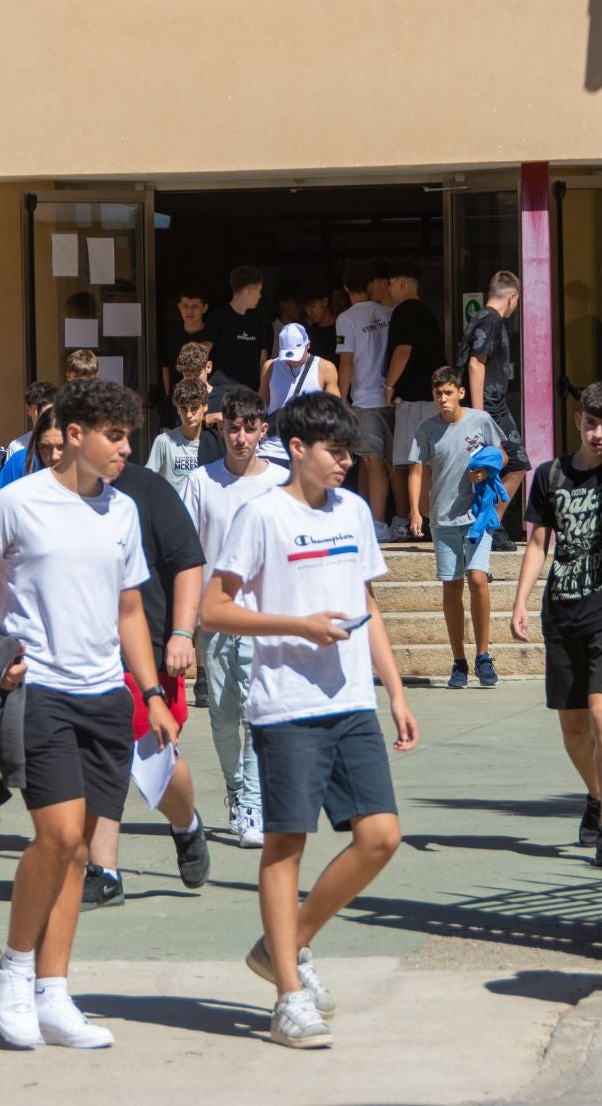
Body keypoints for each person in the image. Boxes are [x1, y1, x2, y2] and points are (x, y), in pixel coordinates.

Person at [0, 379, 177, 1051]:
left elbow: (131, 611)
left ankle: (55, 992)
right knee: (58, 836)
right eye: (116, 436)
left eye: (129, 435)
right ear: (74, 434)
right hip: (38, 691)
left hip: (108, 695)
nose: (126, 449)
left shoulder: (124, 512)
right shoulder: (16, 502)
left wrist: (152, 693)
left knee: (81, 853)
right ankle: (13, 973)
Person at [201, 392, 420, 1051]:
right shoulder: (261, 515)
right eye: (335, 451)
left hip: (352, 703)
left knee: (381, 836)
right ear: (297, 449)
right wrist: (294, 625)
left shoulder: (354, 511)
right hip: (286, 705)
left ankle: (286, 945)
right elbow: (215, 609)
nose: (346, 463)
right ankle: (289, 997)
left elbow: (367, 602)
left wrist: (397, 691)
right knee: (285, 846)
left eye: (350, 451)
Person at [80, 461, 212, 909]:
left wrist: (181, 632)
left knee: (156, 766)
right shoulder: (45, 495)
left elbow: (188, 563)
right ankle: (105, 872)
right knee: (99, 761)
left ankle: (186, 823)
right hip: (80, 654)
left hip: (146, 653)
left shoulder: (149, 489)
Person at [510, 381, 602, 869]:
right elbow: (538, 543)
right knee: (574, 727)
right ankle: (598, 795)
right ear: (578, 421)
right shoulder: (549, 475)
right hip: (561, 610)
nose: (599, 434)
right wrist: (519, 602)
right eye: (592, 423)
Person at [180, 388, 288, 847]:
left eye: (249, 427)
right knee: (224, 718)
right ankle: (234, 788)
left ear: (263, 430)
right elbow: (185, 556)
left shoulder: (283, 481)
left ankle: (252, 803)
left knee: (255, 714)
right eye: (233, 427)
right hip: (217, 620)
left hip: (265, 619)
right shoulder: (201, 482)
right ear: (221, 428)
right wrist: (184, 626)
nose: (240, 436)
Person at [411, 367, 504, 690]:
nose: (443, 399)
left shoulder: (480, 421)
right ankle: (459, 661)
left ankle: (484, 656)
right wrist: (414, 510)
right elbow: (417, 470)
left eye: (449, 392)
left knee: (477, 578)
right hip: (443, 517)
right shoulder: (427, 429)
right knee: (451, 586)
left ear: (460, 392)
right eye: (438, 394)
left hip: (477, 515)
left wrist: (487, 470)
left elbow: (502, 454)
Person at [455, 271, 527, 551]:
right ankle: (488, 527)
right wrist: (479, 414)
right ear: (511, 297)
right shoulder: (492, 319)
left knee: (496, 466)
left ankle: (486, 526)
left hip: (492, 406)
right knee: (517, 464)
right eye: (517, 301)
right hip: (490, 407)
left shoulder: (482, 317)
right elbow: (476, 363)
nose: (515, 306)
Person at [384, 267, 446, 544]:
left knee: (414, 462)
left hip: (414, 398)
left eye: (389, 285)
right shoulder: (427, 312)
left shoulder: (406, 310)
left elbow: (403, 350)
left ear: (401, 282)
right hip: (430, 398)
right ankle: (428, 518)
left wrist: (389, 385)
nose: (388, 291)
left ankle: (419, 520)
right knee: (428, 462)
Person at [334, 261, 395, 536]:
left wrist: (341, 397)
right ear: (371, 285)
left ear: (346, 288)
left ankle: (379, 523)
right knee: (393, 463)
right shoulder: (388, 312)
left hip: (365, 398)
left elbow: (346, 362)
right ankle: (396, 519)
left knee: (372, 461)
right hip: (391, 396)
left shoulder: (346, 318)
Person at [257, 323, 339, 465]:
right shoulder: (270, 367)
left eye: (296, 355)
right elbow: (260, 404)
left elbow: (336, 412)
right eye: (287, 355)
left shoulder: (325, 368)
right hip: (271, 449)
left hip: (308, 451)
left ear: (308, 345)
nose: (291, 360)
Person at [205, 265, 269, 396]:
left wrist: (263, 391)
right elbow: (203, 351)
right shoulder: (218, 316)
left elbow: (263, 360)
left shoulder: (258, 320)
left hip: (250, 395)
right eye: (259, 290)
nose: (260, 296)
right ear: (251, 289)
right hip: (220, 394)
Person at [146, 378, 211, 495]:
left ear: (205, 406)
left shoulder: (213, 444)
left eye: (194, 408)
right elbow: (148, 480)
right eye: (184, 409)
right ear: (177, 409)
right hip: (172, 510)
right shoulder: (163, 441)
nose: (188, 414)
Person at [160, 290, 212, 401]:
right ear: (179, 307)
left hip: (203, 398)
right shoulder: (171, 333)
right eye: (185, 306)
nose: (189, 311)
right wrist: (168, 394)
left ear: (204, 308)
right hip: (176, 398)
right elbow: (165, 365)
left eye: (195, 307)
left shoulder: (211, 334)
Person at [300, 285, 339, 365]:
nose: (309, 312)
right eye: (305, 308)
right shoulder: (309, 333)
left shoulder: (342, 328)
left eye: (312, 306)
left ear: (325, 301)